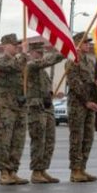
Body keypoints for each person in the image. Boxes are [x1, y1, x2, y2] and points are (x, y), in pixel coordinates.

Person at [65, 32, 97, 183]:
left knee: (88, 138)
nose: (88, 44)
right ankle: (75, 170)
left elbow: (91, 81)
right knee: (77, 138)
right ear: (77, 44)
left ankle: (83, 168)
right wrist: (86, 101)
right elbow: (74, 83)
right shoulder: (72, 60)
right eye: (85, 42)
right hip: (78, 105)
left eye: (88, 42)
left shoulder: (91, 61)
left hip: (90, 105)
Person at [25, 41, 63, 183]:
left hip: (47, 108)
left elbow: (46, 87)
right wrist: (64, 53)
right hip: (36, 109)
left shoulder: (42, 71)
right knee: (38, 141)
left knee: (49, 141)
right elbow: (46, 62)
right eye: (38, 52)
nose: (40, 55)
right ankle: (36, 172)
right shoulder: (30, 65)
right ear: (31, 53)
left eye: (42, 53)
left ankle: (43, 169)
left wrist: (53, 93)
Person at [0, 33, 28, 185]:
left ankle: (13, 171)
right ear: (5, 45)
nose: (17, 47)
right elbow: (15, 66)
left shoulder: (18, 61)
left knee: (18, 141)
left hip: (19, 107)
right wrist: (24, 54)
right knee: (4, 141)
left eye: (17, 44)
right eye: (14, 44)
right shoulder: (2, 62)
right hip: (6, 108)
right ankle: (4, 172)